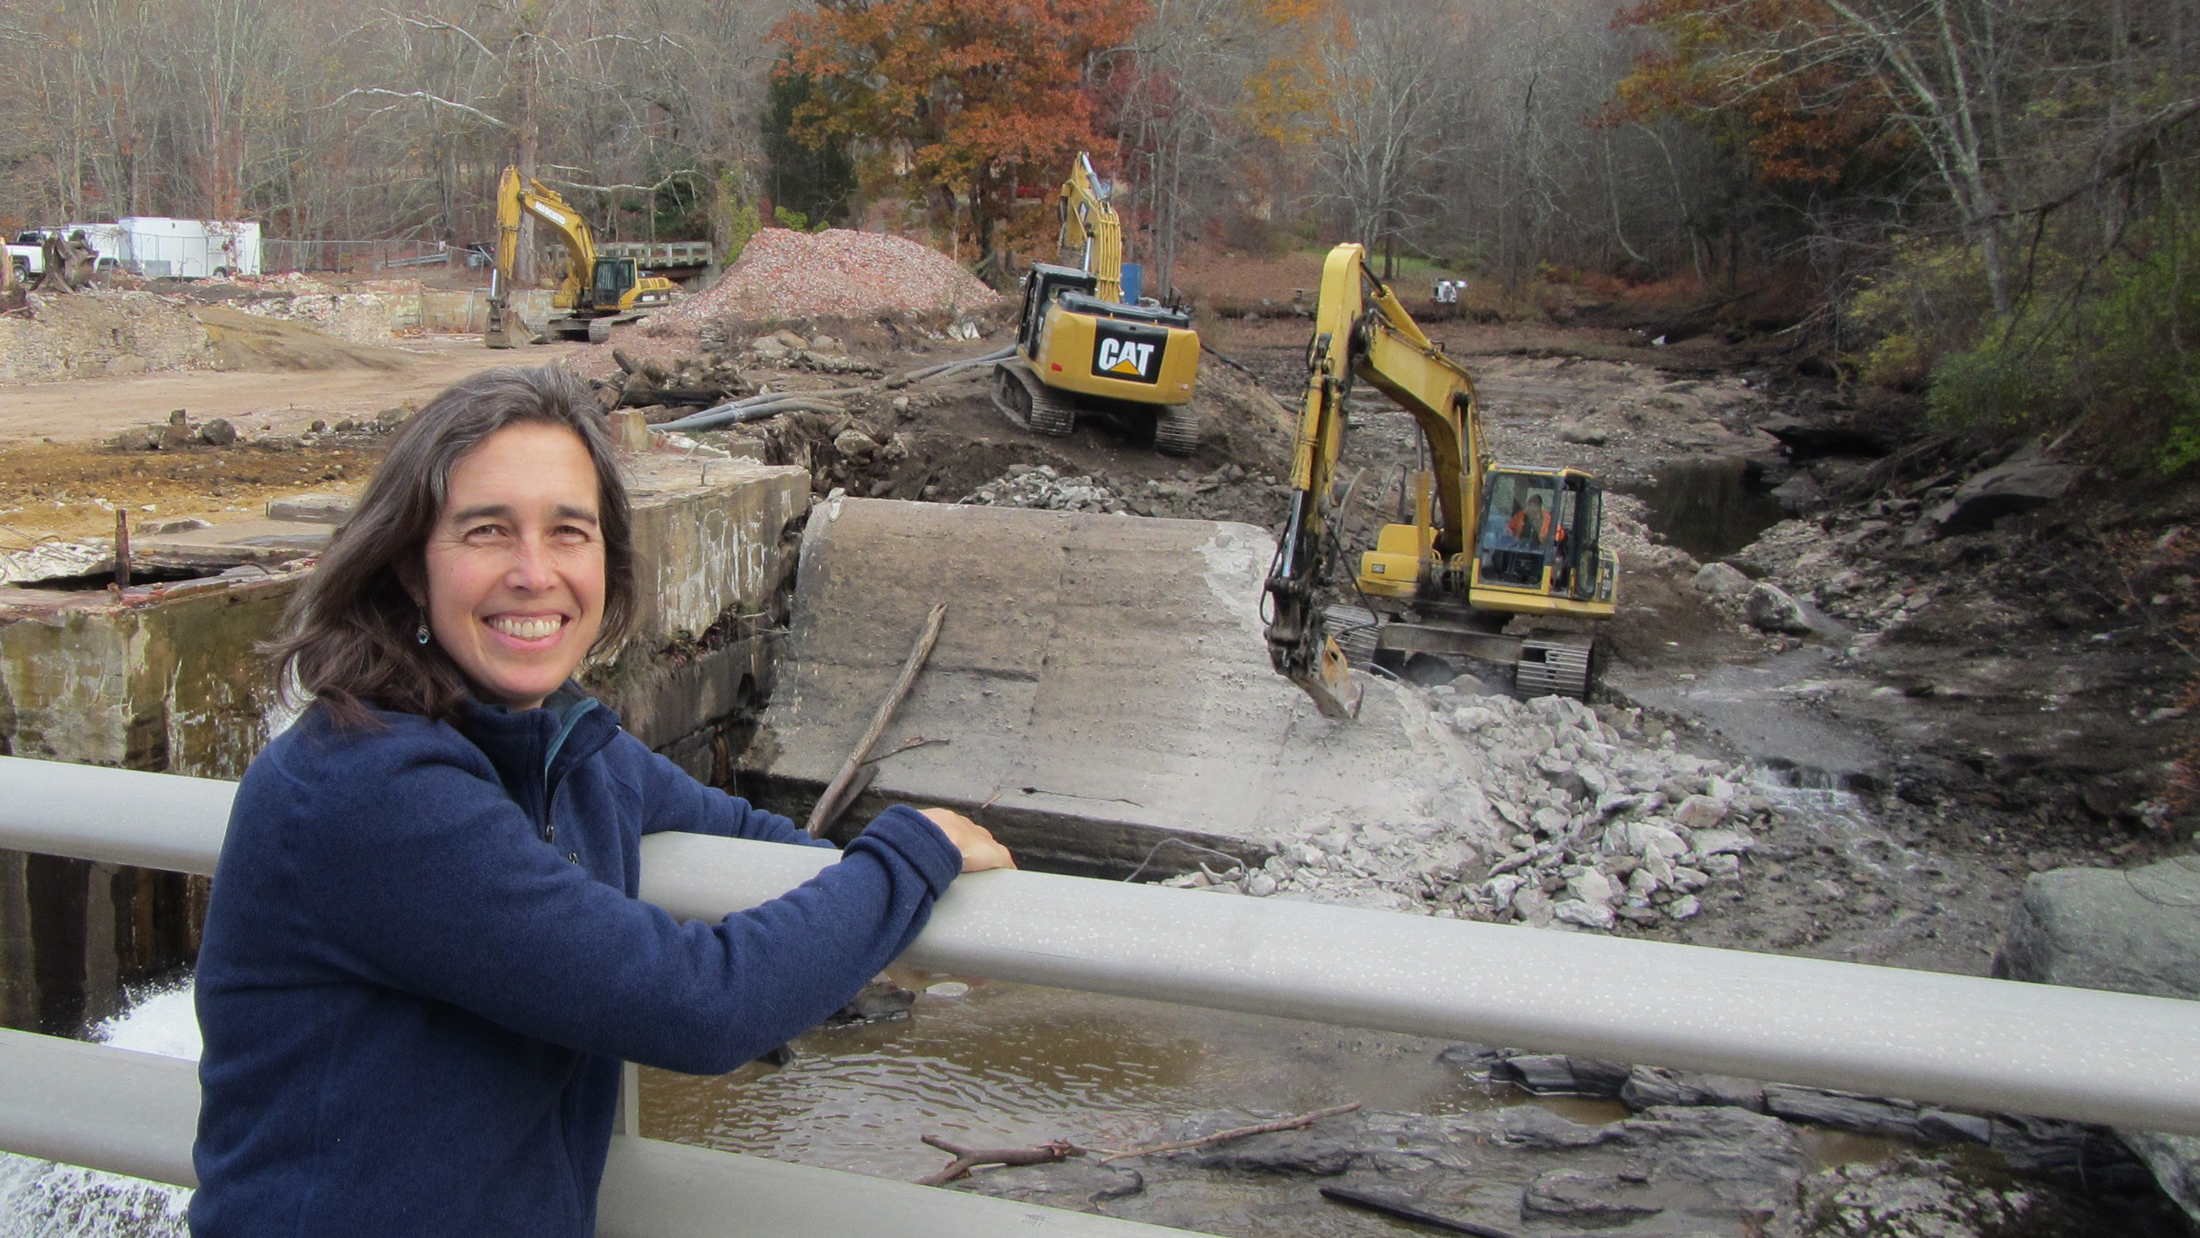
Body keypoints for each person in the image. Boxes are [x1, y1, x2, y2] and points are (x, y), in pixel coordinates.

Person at [189, 365, 1013, 1237]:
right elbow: (697, 1007)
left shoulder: (568, 747)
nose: (535, 573)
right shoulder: (365, 787)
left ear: (608, 563)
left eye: (569, 532)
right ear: (407, 567)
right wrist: (911, 859)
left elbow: (750, 842)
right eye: (486, 531)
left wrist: (886, 930)